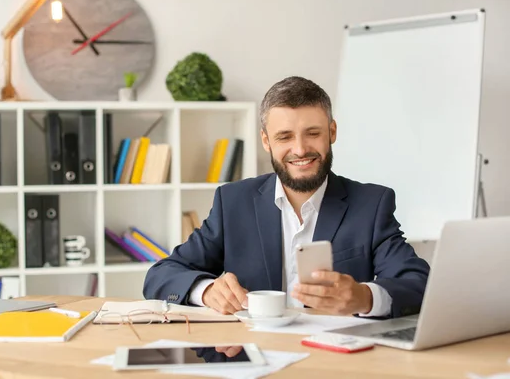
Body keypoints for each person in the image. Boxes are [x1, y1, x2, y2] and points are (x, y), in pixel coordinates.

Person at [143, 76, 430, 319]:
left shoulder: (370, 204)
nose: (300, 149)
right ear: (266, 141)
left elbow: (418, 282)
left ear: (332, 132)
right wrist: (205, 291)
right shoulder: (233, 202)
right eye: (284, 137)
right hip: (253, 357)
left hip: (334, 363)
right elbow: (162, 274)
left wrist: (365, 297)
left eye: (313, 133)